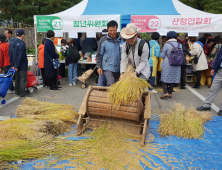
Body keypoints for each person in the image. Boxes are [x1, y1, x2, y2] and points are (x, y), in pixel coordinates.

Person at [96, 20, 124, 86]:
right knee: (111, 83)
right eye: (110, 30)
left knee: (120, 86)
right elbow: (99, 55)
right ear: (108, 29)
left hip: (119, 68)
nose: (112, 32)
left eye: (114, 30)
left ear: (117, 29)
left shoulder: (122, 40)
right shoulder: (103, 40)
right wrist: (99, 67)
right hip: (107, 67)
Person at [197, 47, 222, 115]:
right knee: (213, 88)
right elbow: (218, 57)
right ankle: (206, 106)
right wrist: (213, 68)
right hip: (220, 70)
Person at [160, 31, 182, 99]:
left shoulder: (166, 44)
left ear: (168, 37)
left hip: (168, 64)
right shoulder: (179, 45)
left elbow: (162, 56)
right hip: (177, 63)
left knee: (164, 78)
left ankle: (165, 92)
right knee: (173, 78)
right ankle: (170, 93)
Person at [9, 29, 28, 97]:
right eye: (23, 35)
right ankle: (22, 93)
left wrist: (13, 65)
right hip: (21, 65)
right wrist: (17, 65)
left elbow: (10, 54)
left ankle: (17, 91)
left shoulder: (11, 42)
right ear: (22, 35)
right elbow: (21, 56)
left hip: (14, 65)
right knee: (22, 79)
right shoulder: (22, 44)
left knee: (17, 78)